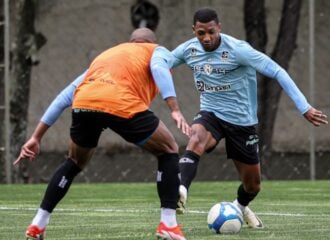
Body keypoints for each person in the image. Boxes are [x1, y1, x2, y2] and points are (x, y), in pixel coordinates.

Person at [15, 27, 190, 240]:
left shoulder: (107, 56)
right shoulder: (156, 50)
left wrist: (36, 137)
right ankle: (168, 224)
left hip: (85, 103)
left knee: (74, 162)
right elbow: (159, 68)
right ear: (151, 42)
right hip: (121, 103)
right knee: (168, 149)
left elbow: (64, 97)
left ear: (130, 41)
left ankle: (37, 225)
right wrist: (174, 109)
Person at [171, 7, 328, 229]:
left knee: (253, 185)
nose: (206, 38)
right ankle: (180, 190)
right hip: (211, 114)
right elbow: (163, 62)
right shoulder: (188, 50)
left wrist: (304, 107)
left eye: (211, 32)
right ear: (194, 31)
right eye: (201, 33)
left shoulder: (238, 50)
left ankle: (241, 206)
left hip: (242, 123)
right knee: (196, 137)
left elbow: (277, 71)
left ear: (219, 28)